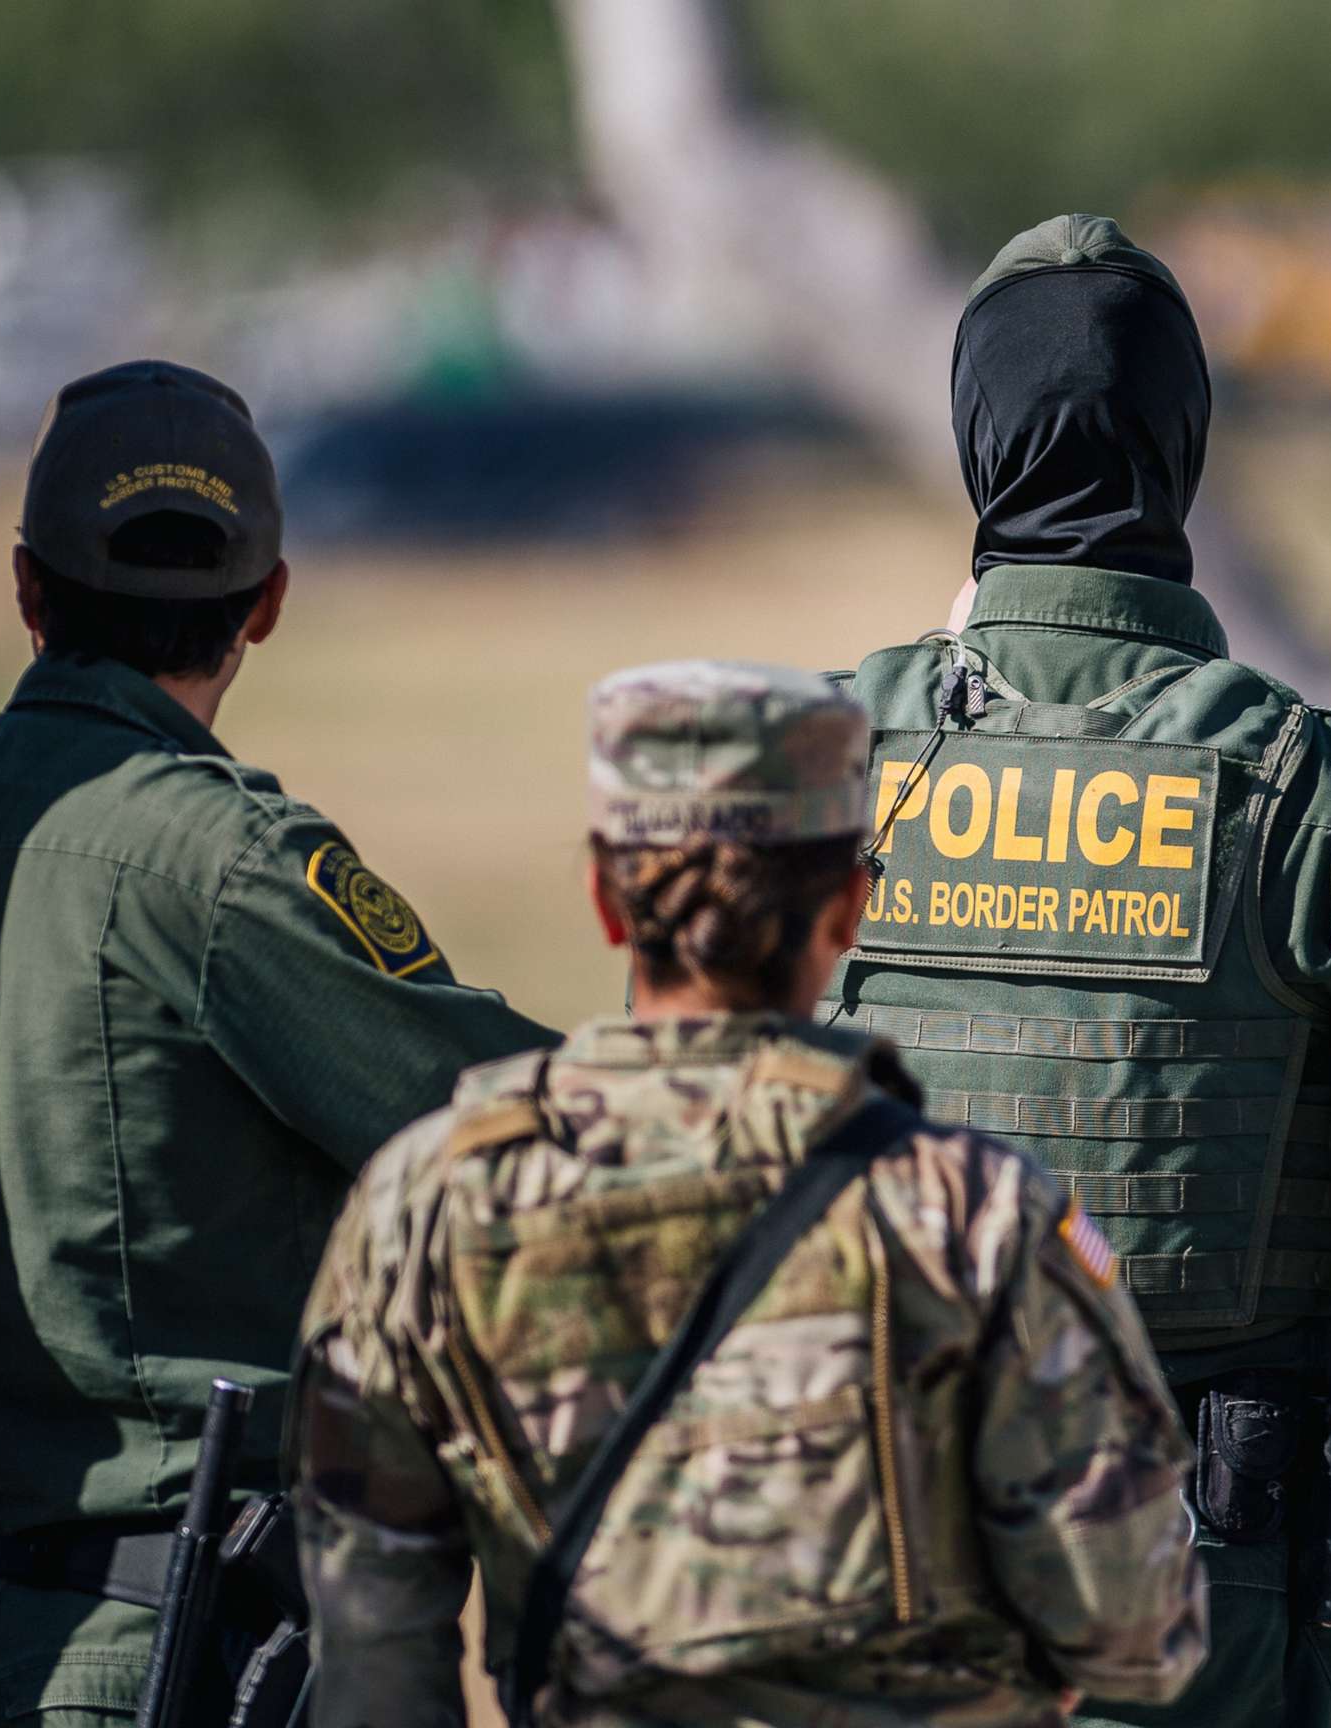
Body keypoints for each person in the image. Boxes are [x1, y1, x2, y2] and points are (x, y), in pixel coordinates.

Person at [828, 213, 1331, 1728]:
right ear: (1185, 450)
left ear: (972, 448)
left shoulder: (818, 762)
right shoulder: (1318, 789)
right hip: (1216, 1626)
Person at [0, 359, 557, 1728]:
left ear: (29, 587)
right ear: (266, 603)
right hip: (205, 1661)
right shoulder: (223, 865)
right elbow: (509, 1127)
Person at [293, 658, 1207, 1728]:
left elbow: (370, 1641)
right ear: (851, 907)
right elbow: (1135, 1633)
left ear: (603, 895)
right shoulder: (971, 1215)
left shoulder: (432, 1200)